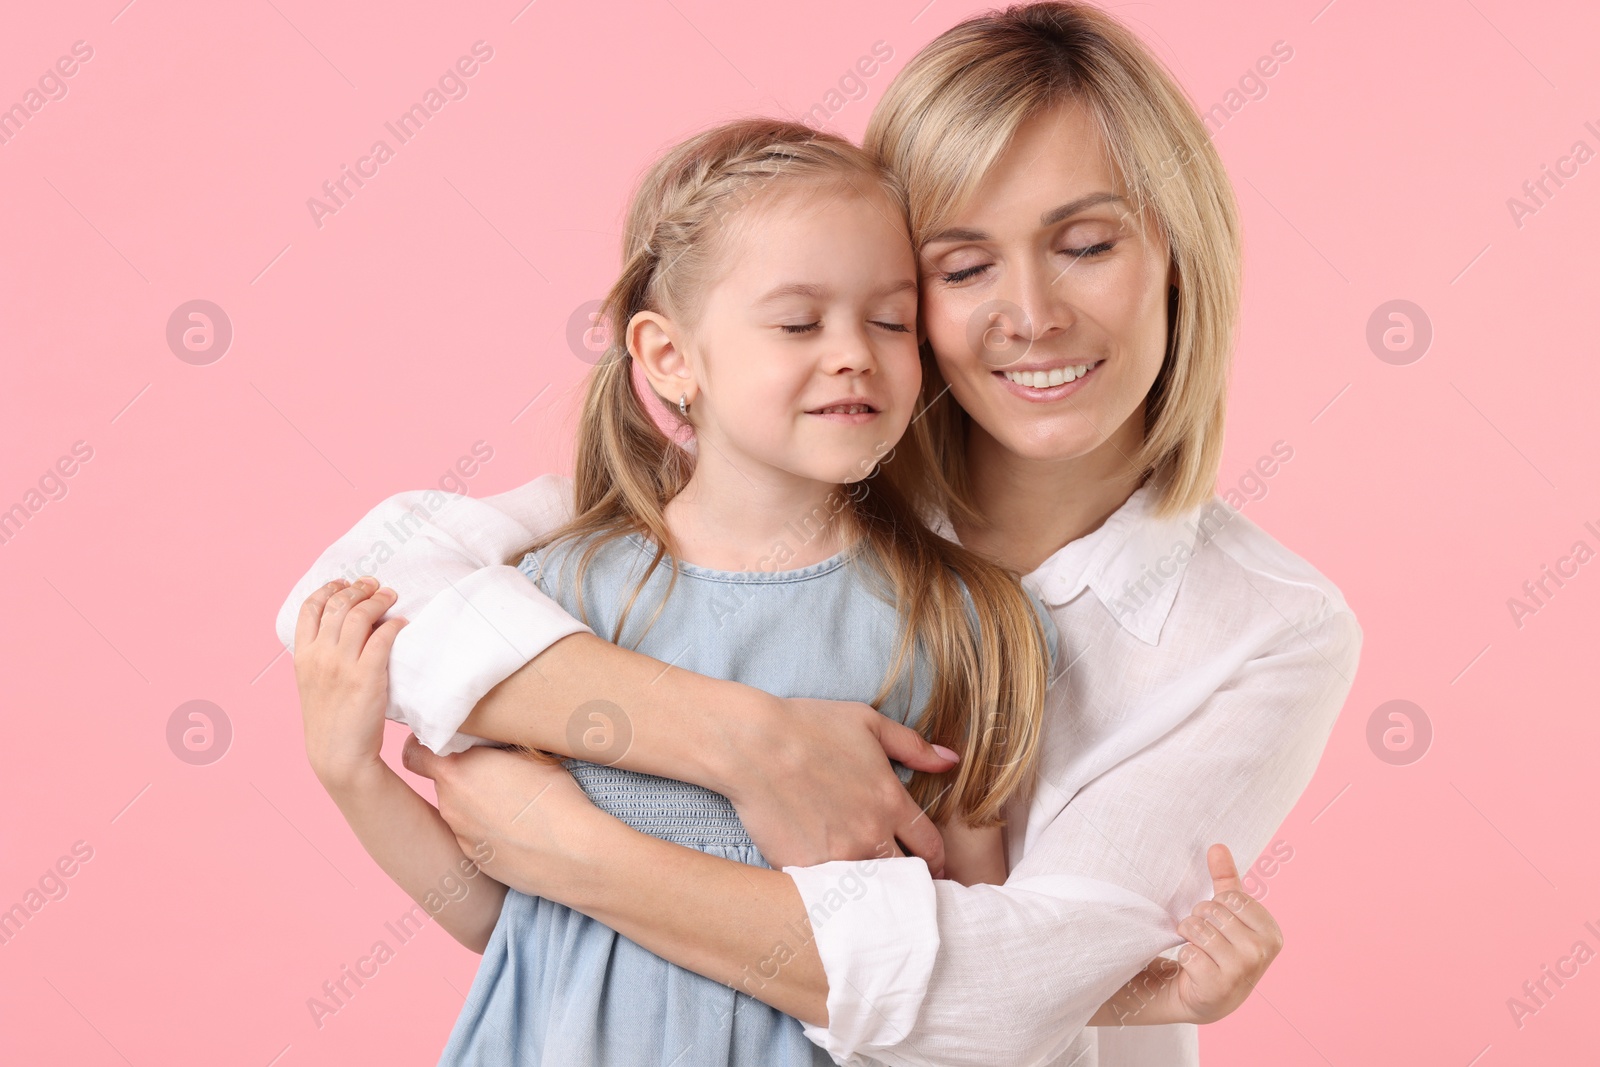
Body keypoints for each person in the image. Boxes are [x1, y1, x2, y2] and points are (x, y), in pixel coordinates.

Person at [277, 5, 1358, 1064]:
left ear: (1180, 254)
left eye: (1085, 244)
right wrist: (748, 742)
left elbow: (987, 991)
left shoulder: (1251, 627)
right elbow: (355, 589)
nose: (1030, 312)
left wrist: (568, 849)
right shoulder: (749, 490)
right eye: (962, 266)